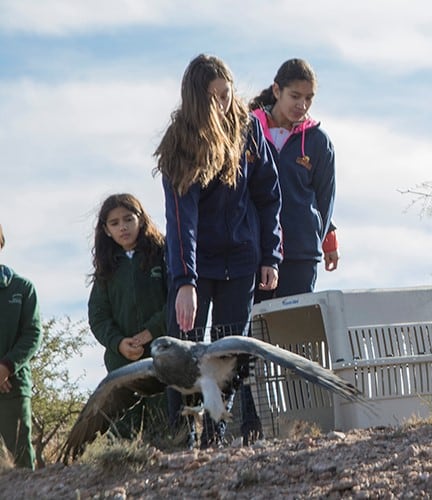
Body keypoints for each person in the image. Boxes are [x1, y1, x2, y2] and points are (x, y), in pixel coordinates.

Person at [153, 54, 282, 448]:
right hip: (198, 265)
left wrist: (269, 255)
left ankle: (216, 434)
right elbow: (181, 220)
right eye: (213, 97)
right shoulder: (180, 143)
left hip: (242, 260)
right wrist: (185, 282)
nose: (223, 103)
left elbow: (268, 196)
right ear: (196, 99)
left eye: (226, 93)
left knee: (230, 350)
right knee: (183, 346)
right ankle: (183, 434)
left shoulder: (248, 129)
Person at [248, 58, 336, 300]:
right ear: (277, 90)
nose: (302, 104)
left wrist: (320, 237)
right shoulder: (247, 130)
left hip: (300, 254)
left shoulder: (318, 141)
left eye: (309, 98)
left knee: (294, 331)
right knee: (254, 329)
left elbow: (325, 199)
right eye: (295, 96)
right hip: (253, 250)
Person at [87, 193, 168, 442]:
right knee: (123, 434)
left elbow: (177, 300)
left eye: (128, 219)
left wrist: (152, 331)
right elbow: (98, 316)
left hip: (162, 356)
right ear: (106, 230)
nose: (123, 227)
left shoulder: (163, 254)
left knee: (167, 428)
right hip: (121, 362)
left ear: (140, 220)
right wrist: (118, 343)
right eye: (114, 223)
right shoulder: (106, 268)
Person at [0, 224, 43, 469]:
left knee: (19, 464)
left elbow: (32, 334)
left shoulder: (22, 288)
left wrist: (6, 367)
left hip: (12, 388)